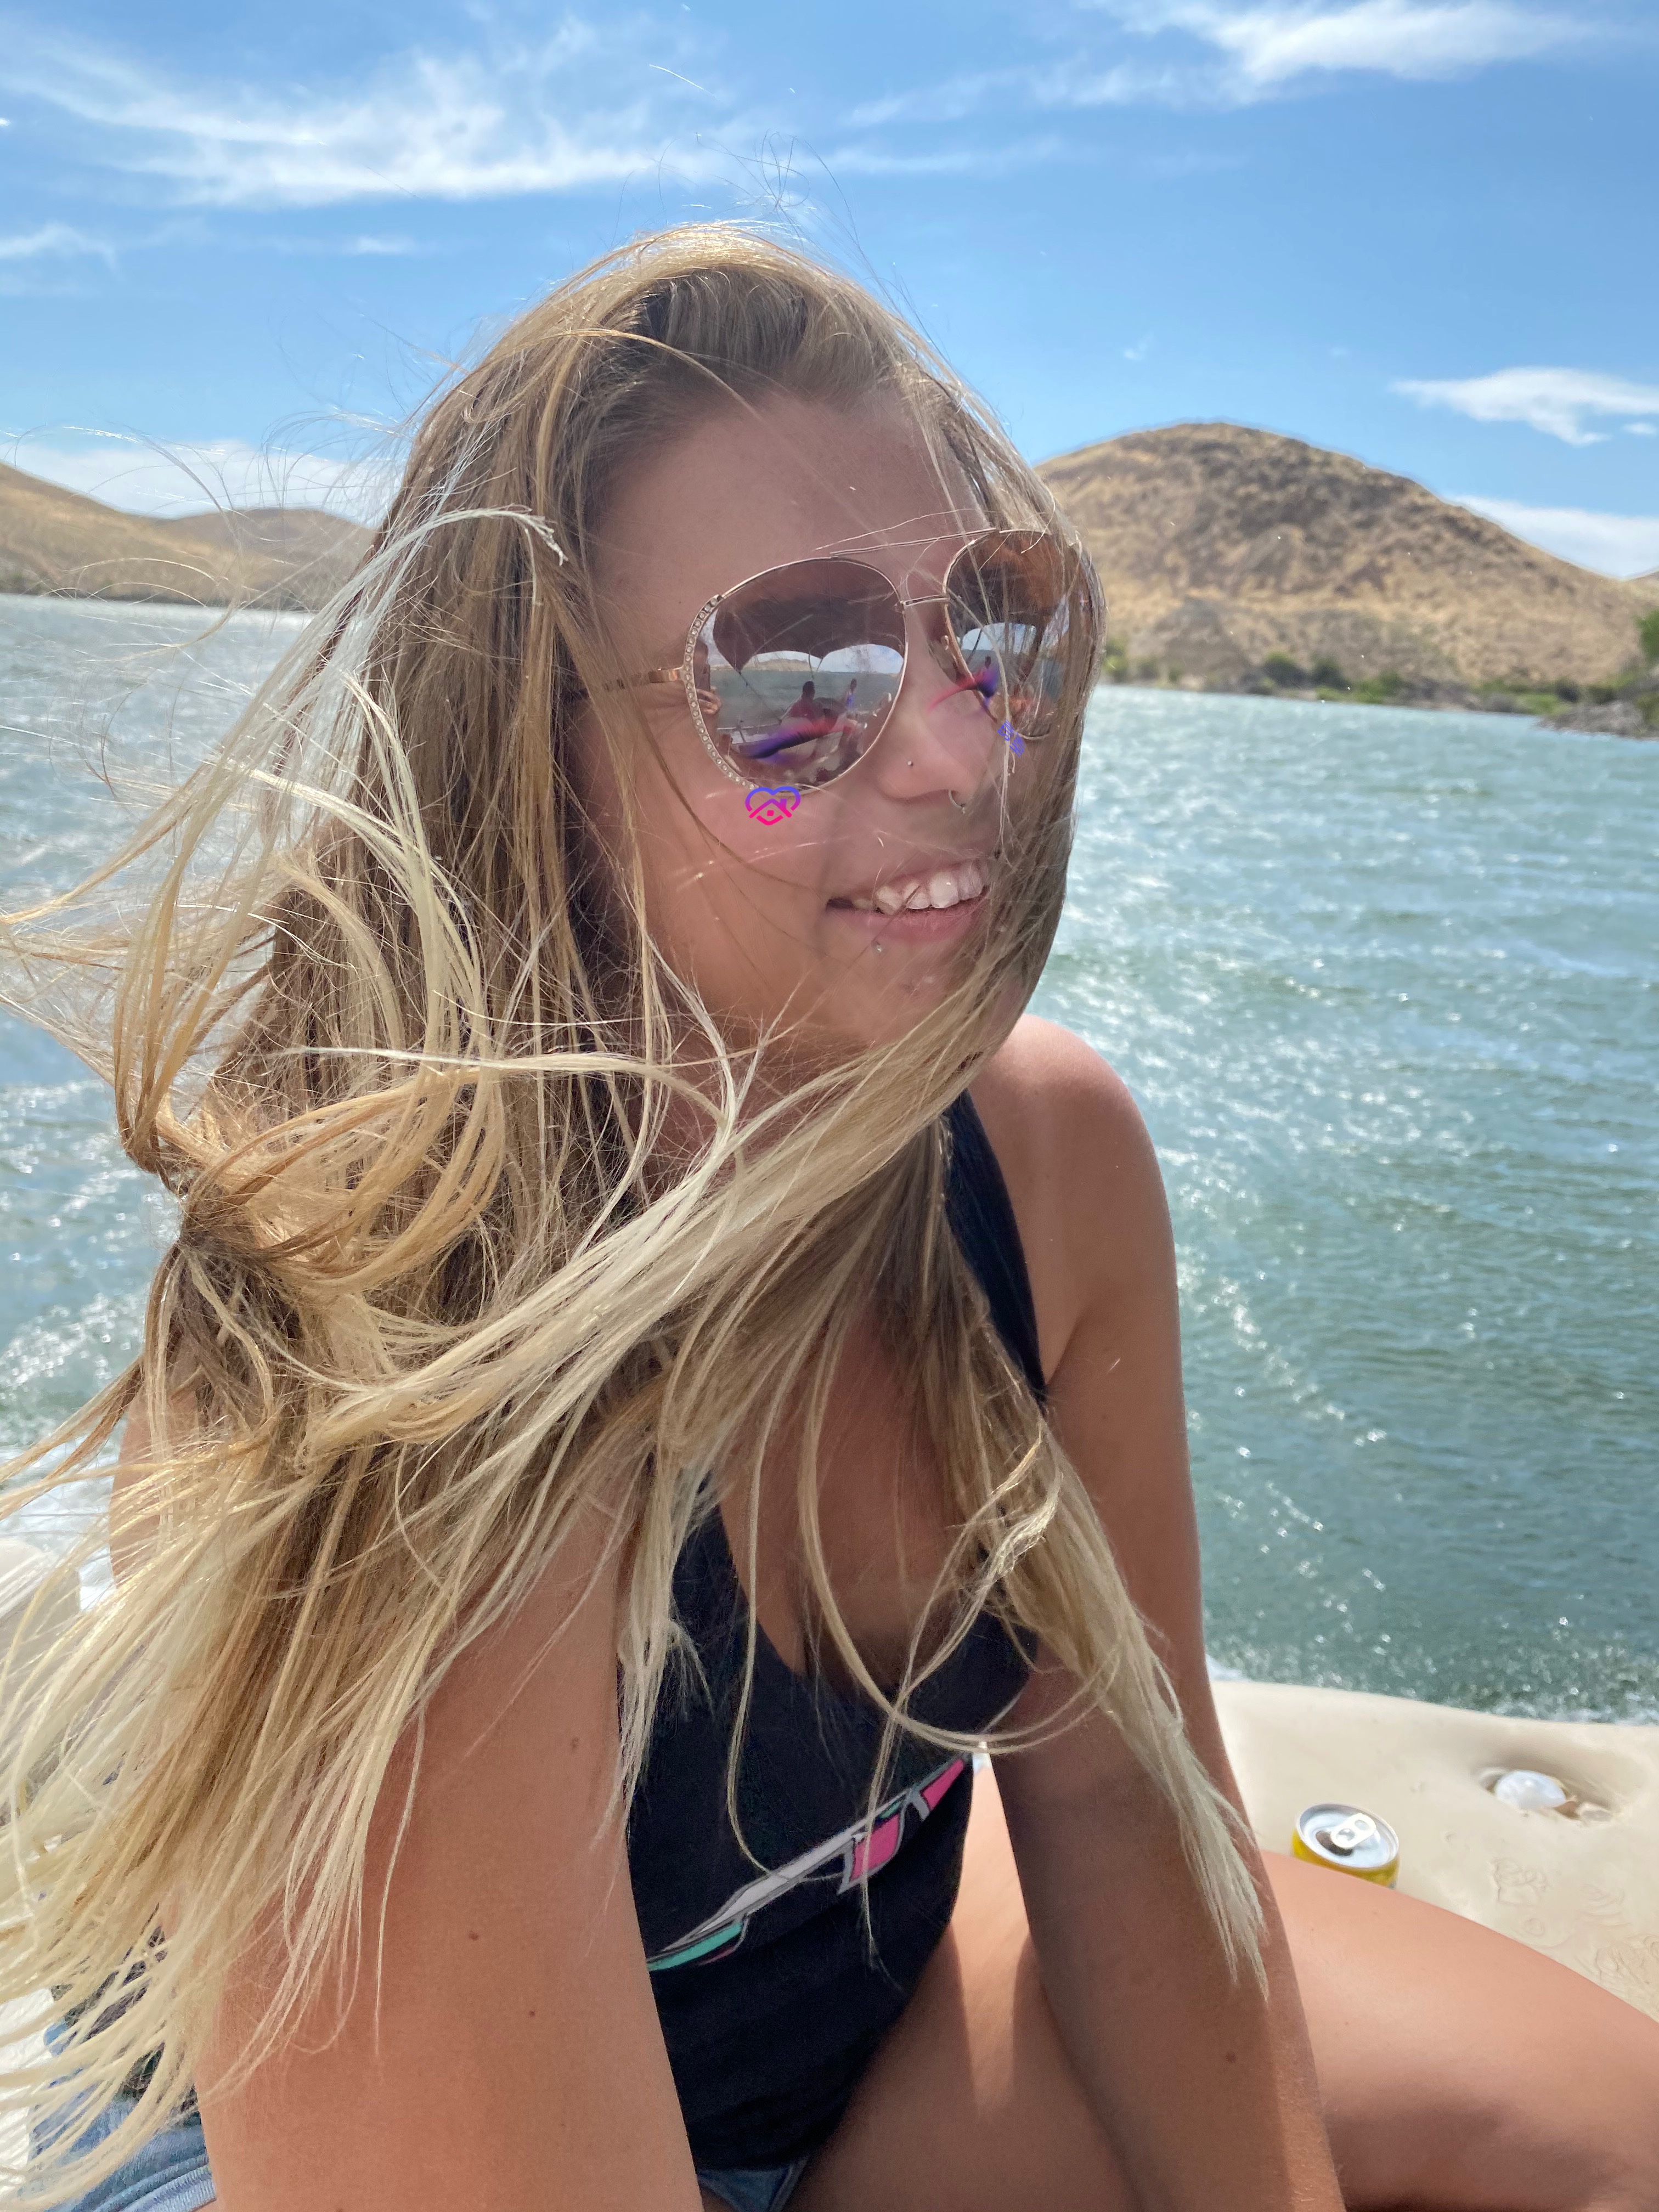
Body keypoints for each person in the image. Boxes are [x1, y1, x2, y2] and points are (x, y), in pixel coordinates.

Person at [2, 228, 1654, 2212]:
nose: (960, 746)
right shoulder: (413, 1353)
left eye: (996, 627)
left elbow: (1128, 1820)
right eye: (794, 676)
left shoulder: (1035, 1163)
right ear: (539, 748)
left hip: (841, 2052)